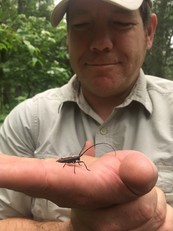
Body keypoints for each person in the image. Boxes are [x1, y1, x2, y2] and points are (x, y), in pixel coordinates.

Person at [0, 0, 173, 229]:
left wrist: (163, 221)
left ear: (149, 32)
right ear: (67, 38)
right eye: (82, 25)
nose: (101, 44)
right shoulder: (27, 120)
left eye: (120, 24)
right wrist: (69, 229)